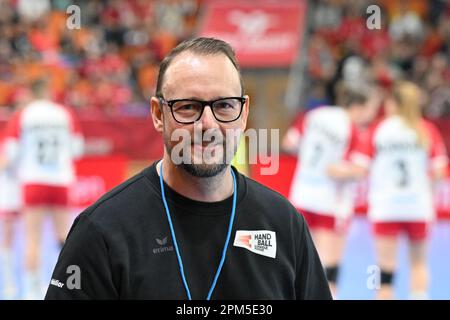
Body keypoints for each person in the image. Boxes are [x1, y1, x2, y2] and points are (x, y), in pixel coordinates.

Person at [45, 37, 332, 300]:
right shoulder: (102, 230)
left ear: (243, 114)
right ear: (159, 114)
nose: (207, 124)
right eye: (188, 107)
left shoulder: (283, 223)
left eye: (224, 105)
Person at [349, 81, 448, 299]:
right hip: (418, 206)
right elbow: (440, 171)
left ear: (392, 103)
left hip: (386, 207)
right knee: (419, 264)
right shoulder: (425, 130)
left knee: (385, 272)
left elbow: (360, 168)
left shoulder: (380, 129)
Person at [283, 82, 379, 298]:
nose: (372, 115)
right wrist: (339, 170)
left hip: (302, 195)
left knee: (300, 256)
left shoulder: (315, 115)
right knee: (329, 261)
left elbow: (289, 143)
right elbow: (359, 169)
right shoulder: (353, 129)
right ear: (359, 106)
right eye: (372, 108)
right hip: (331, 202)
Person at [2, 79, 84, 299]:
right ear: (48, 92)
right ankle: (69, 286)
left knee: (33, 237)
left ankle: (31, 291)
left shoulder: (23, 115)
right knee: (66, 240)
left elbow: (9, 154)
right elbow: (77, 149)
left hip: (34, 180)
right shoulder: (64, 114)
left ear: (31, 93)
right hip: (60, 180)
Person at [0, 133, 21, 299]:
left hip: (21, 194)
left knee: (26, 238)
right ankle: (8, 281)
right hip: (8, 196)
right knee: (7, 240)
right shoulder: (8, 144)